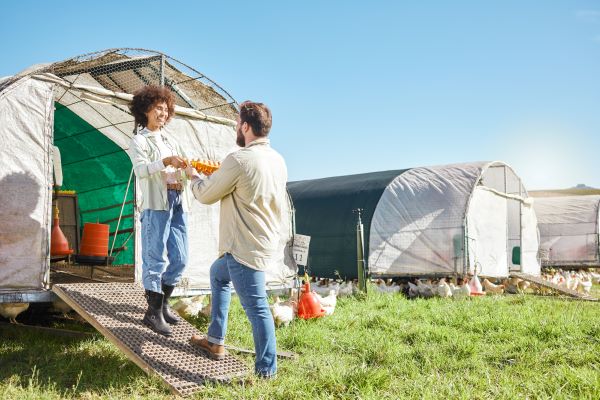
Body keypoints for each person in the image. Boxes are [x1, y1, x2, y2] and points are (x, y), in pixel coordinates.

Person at [187, 101, 287, 379]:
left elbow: (206, 195)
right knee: (217, 276)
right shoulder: (278, 159)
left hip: (244, 247)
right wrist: (218, 176)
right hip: (260, 240)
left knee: (258, 309)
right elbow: (244, 188)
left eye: (236, 123)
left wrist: (194, 178)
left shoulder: (239, 159)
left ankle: (267, 371)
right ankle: (215, 340)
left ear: (245, 126)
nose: (235, 127)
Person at [128, 85, 192, 337]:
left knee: (181, 257)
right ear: (145, 110)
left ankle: (164, 303)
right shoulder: (139, 140)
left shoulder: (171, 139)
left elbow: (185, 166)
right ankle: (152, 312)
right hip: (157, 203)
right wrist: (165, 161)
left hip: (177, 199)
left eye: (166, 110)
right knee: (155, 257)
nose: (163, 114)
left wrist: (193, 170)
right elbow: (141, 171)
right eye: (158, 109)